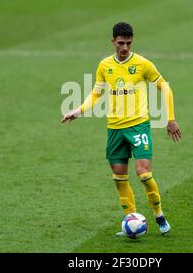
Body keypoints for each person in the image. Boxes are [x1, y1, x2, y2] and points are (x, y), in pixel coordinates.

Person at [61, 22, 181, 236]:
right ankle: (131, 220)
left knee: (144, 174)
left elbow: (165, 87)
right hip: (115, 128)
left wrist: (170, 118)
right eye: (120, 43)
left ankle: (159, 215)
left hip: (138, 126)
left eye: (128, 43)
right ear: (112, 41)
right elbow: (96, 94)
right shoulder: (104, 65)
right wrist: (78, 110)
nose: (124, 47)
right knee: (119, 179)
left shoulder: (143, 64)